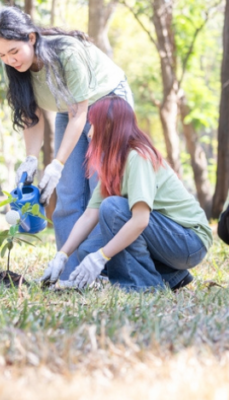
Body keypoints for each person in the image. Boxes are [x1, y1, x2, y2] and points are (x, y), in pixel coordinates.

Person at [0, 6, 133, 249]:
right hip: (71, 108)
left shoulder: (66, 53)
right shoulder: (17, 69)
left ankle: (102, 266)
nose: (9, 60)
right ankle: (67, 265)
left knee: (100, 187)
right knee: (67, 190)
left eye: (13, 51)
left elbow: (80, 115)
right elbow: (31, 117)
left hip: (108, 101)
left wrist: (57, 164)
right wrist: (31, 158)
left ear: (31, 38)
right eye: (2, 55)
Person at [39, 96, 210, 291]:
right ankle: (171, 277)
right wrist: (62, 255)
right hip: (169, 237)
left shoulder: (137, 157)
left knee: (113, 209)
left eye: (94, 125)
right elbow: (89, 216)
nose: (90, 133)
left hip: (189, 240)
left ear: (110, 126)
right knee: (88, 249)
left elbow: (140, 221)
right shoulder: (114, 164)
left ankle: (143, 285)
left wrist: (102, 257)